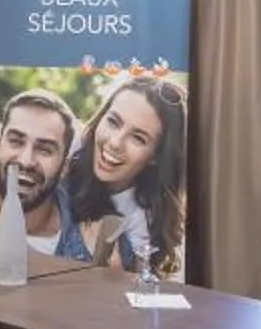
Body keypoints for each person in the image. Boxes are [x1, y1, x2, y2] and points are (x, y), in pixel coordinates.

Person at [62, 74, 188, 275]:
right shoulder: (66, 151)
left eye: (138, 138)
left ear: (156, 157)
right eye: (113, 122)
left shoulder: (144, 222)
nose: (115, 143)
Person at [0, 89, 80, 253]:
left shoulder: (84, 246)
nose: (25, 161)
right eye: (16, 141)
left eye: (45, 150)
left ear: (64, 167)